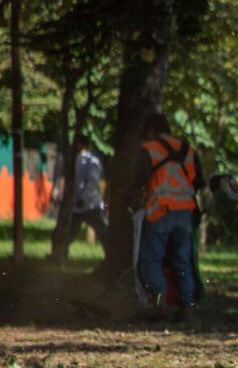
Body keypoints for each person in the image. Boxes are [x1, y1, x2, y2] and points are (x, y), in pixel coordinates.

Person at [127, 112, 205, 318]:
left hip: (160, 211)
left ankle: (159, 303)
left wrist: (128, 202)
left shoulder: (149, 150)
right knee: (182, 260)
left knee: (151, 259)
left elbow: (136, 183)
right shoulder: (188, 150)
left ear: (151, 130)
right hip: (186, 213)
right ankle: (187, 305)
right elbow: (199, 183)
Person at [67, 135, 108, 247]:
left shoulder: (79, 160)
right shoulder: (91, 160)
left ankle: (60, 256)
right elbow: (93, 182)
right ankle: (111, 256)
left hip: (84, 203)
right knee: (102, 231)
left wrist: (80, 198)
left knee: (71, 232)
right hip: (89, 203)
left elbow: (91, 182)